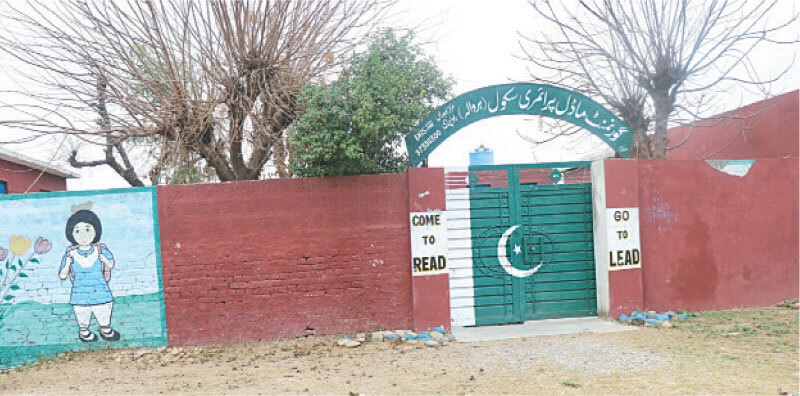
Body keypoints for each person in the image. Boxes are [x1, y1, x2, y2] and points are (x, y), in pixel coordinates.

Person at [58, 203, 121, 342]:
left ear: (95, 231)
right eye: (77, 231)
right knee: (82, 313)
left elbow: (111, 264)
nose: (83, 235)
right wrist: (67, 264)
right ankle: (84, 332)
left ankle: (105, 329)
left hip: (100, 289)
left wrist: (104, 259)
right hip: (80, 292)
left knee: (103, 309)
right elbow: (62, 275)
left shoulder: (100, 250)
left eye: (87, 229)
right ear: (71, 233)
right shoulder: (70, 253)